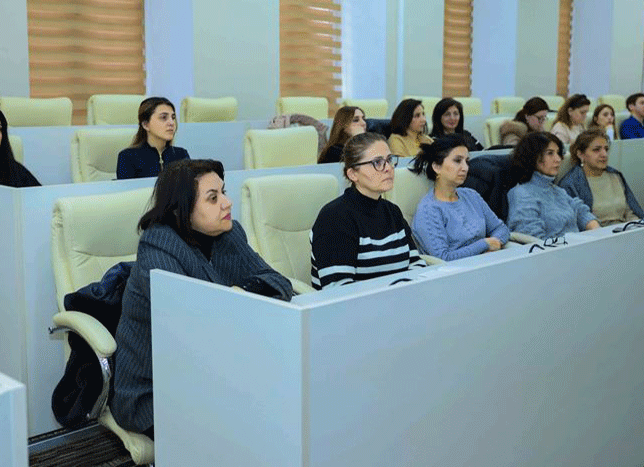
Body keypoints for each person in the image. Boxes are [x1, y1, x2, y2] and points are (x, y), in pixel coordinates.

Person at [111, 159, 292, 438]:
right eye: (213, 198)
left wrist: (240, 294)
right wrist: (240, 300)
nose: (227, 203)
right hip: (155, 391)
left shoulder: (227, 233)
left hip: (216, 374)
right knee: (251, 424)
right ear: (181, 209)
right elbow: (193, 326)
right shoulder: (158, 246)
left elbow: (279, 283)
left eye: (224, 192)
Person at [311, 132, 426, 289]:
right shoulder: (334, 217)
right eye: (377, 162)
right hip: (354, 310)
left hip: (397, 303)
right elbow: (338, 289)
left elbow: (415, 264)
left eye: (389, 160)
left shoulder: (392, 211)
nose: (388, 169)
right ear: (353, 174)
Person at [411, 135, 509, 260]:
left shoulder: (471, 195)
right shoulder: (429, 210)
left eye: (466, 161)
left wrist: (493, 245)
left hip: (487, 263)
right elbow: (443, 257)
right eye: (457, 161)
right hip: (455, 275)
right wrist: (484, 244)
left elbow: (500, 228)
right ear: (436, 167)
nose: (465, 168)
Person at [506, 132, 600, 239]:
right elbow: (533, 240)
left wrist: (595, 230)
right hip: (554, 252)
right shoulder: (521, 193)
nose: (558, 159)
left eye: (558, 153)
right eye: (550, 153)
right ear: (532, 156)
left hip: (575, 248)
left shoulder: (557, 190)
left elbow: (580, 210)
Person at [558, 129, 644, 227]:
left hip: (625, 231)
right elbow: (576, 224)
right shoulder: (570, 184)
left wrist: (636, 227)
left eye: (606, 149)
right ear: (580, 154)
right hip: (597, 236)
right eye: (596, 150)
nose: (604, 154)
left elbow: (630, 211)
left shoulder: (615, 175)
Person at [116, 97, 189, 179]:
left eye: (173, 117)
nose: (171, 123)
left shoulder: (181, 154)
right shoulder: (128, 157)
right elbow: (128, 191)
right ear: (146, 125)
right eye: (164, 117)